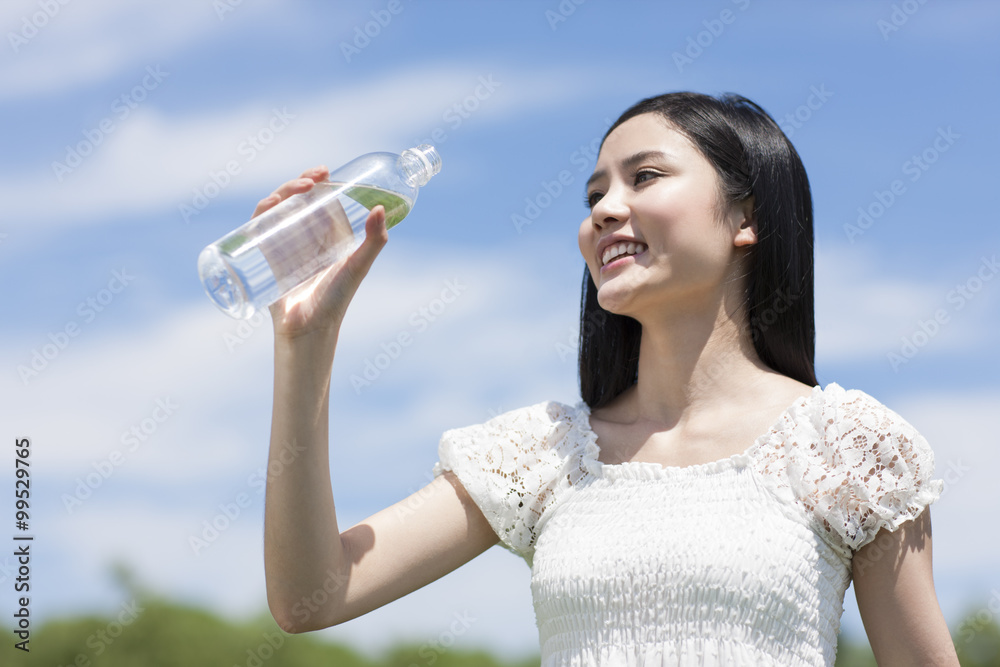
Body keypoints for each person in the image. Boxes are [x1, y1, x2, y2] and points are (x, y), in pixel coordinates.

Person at [260, 92, 960, 665]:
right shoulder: (546, 451)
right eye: (595, 191)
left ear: (746, 215)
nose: (604, 208)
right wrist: (304, 345)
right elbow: (313, 596)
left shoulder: (849, 447)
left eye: (644, 177)